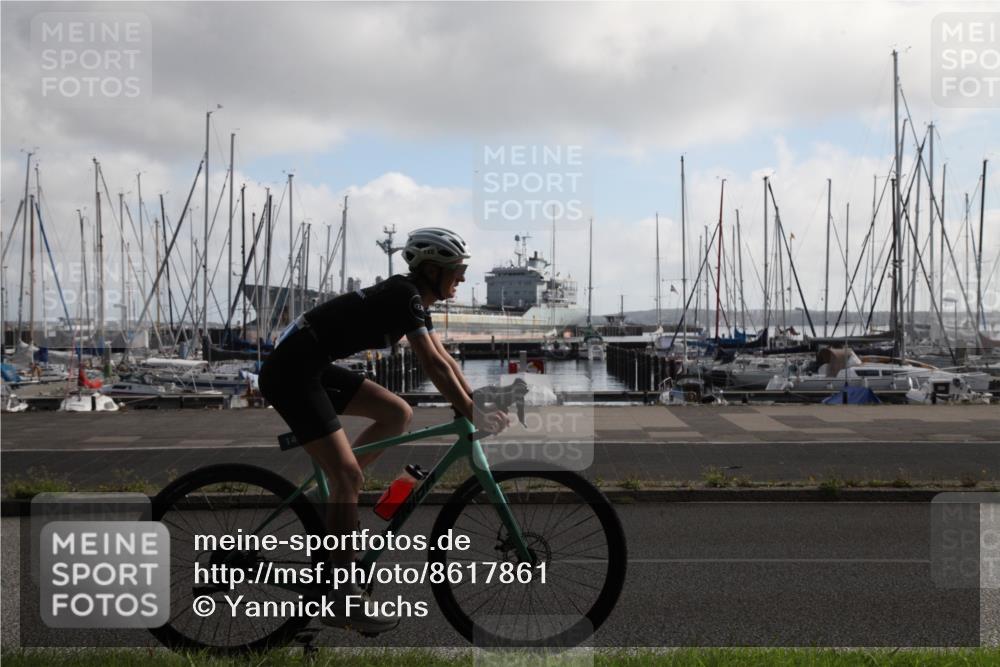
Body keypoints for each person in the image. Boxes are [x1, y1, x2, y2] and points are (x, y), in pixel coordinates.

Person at [257, 227, 504, 633]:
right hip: (290, 373)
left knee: (397, 414)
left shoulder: (414, 300)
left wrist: (477, 405)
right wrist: (473, 412)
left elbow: (446, 360)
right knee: (348, 475)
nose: (462, 278)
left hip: (311, 365)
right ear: (430, 269)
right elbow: (433, 365)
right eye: (457, 270)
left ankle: (341, 499)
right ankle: (342, 598)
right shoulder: (403, 295)